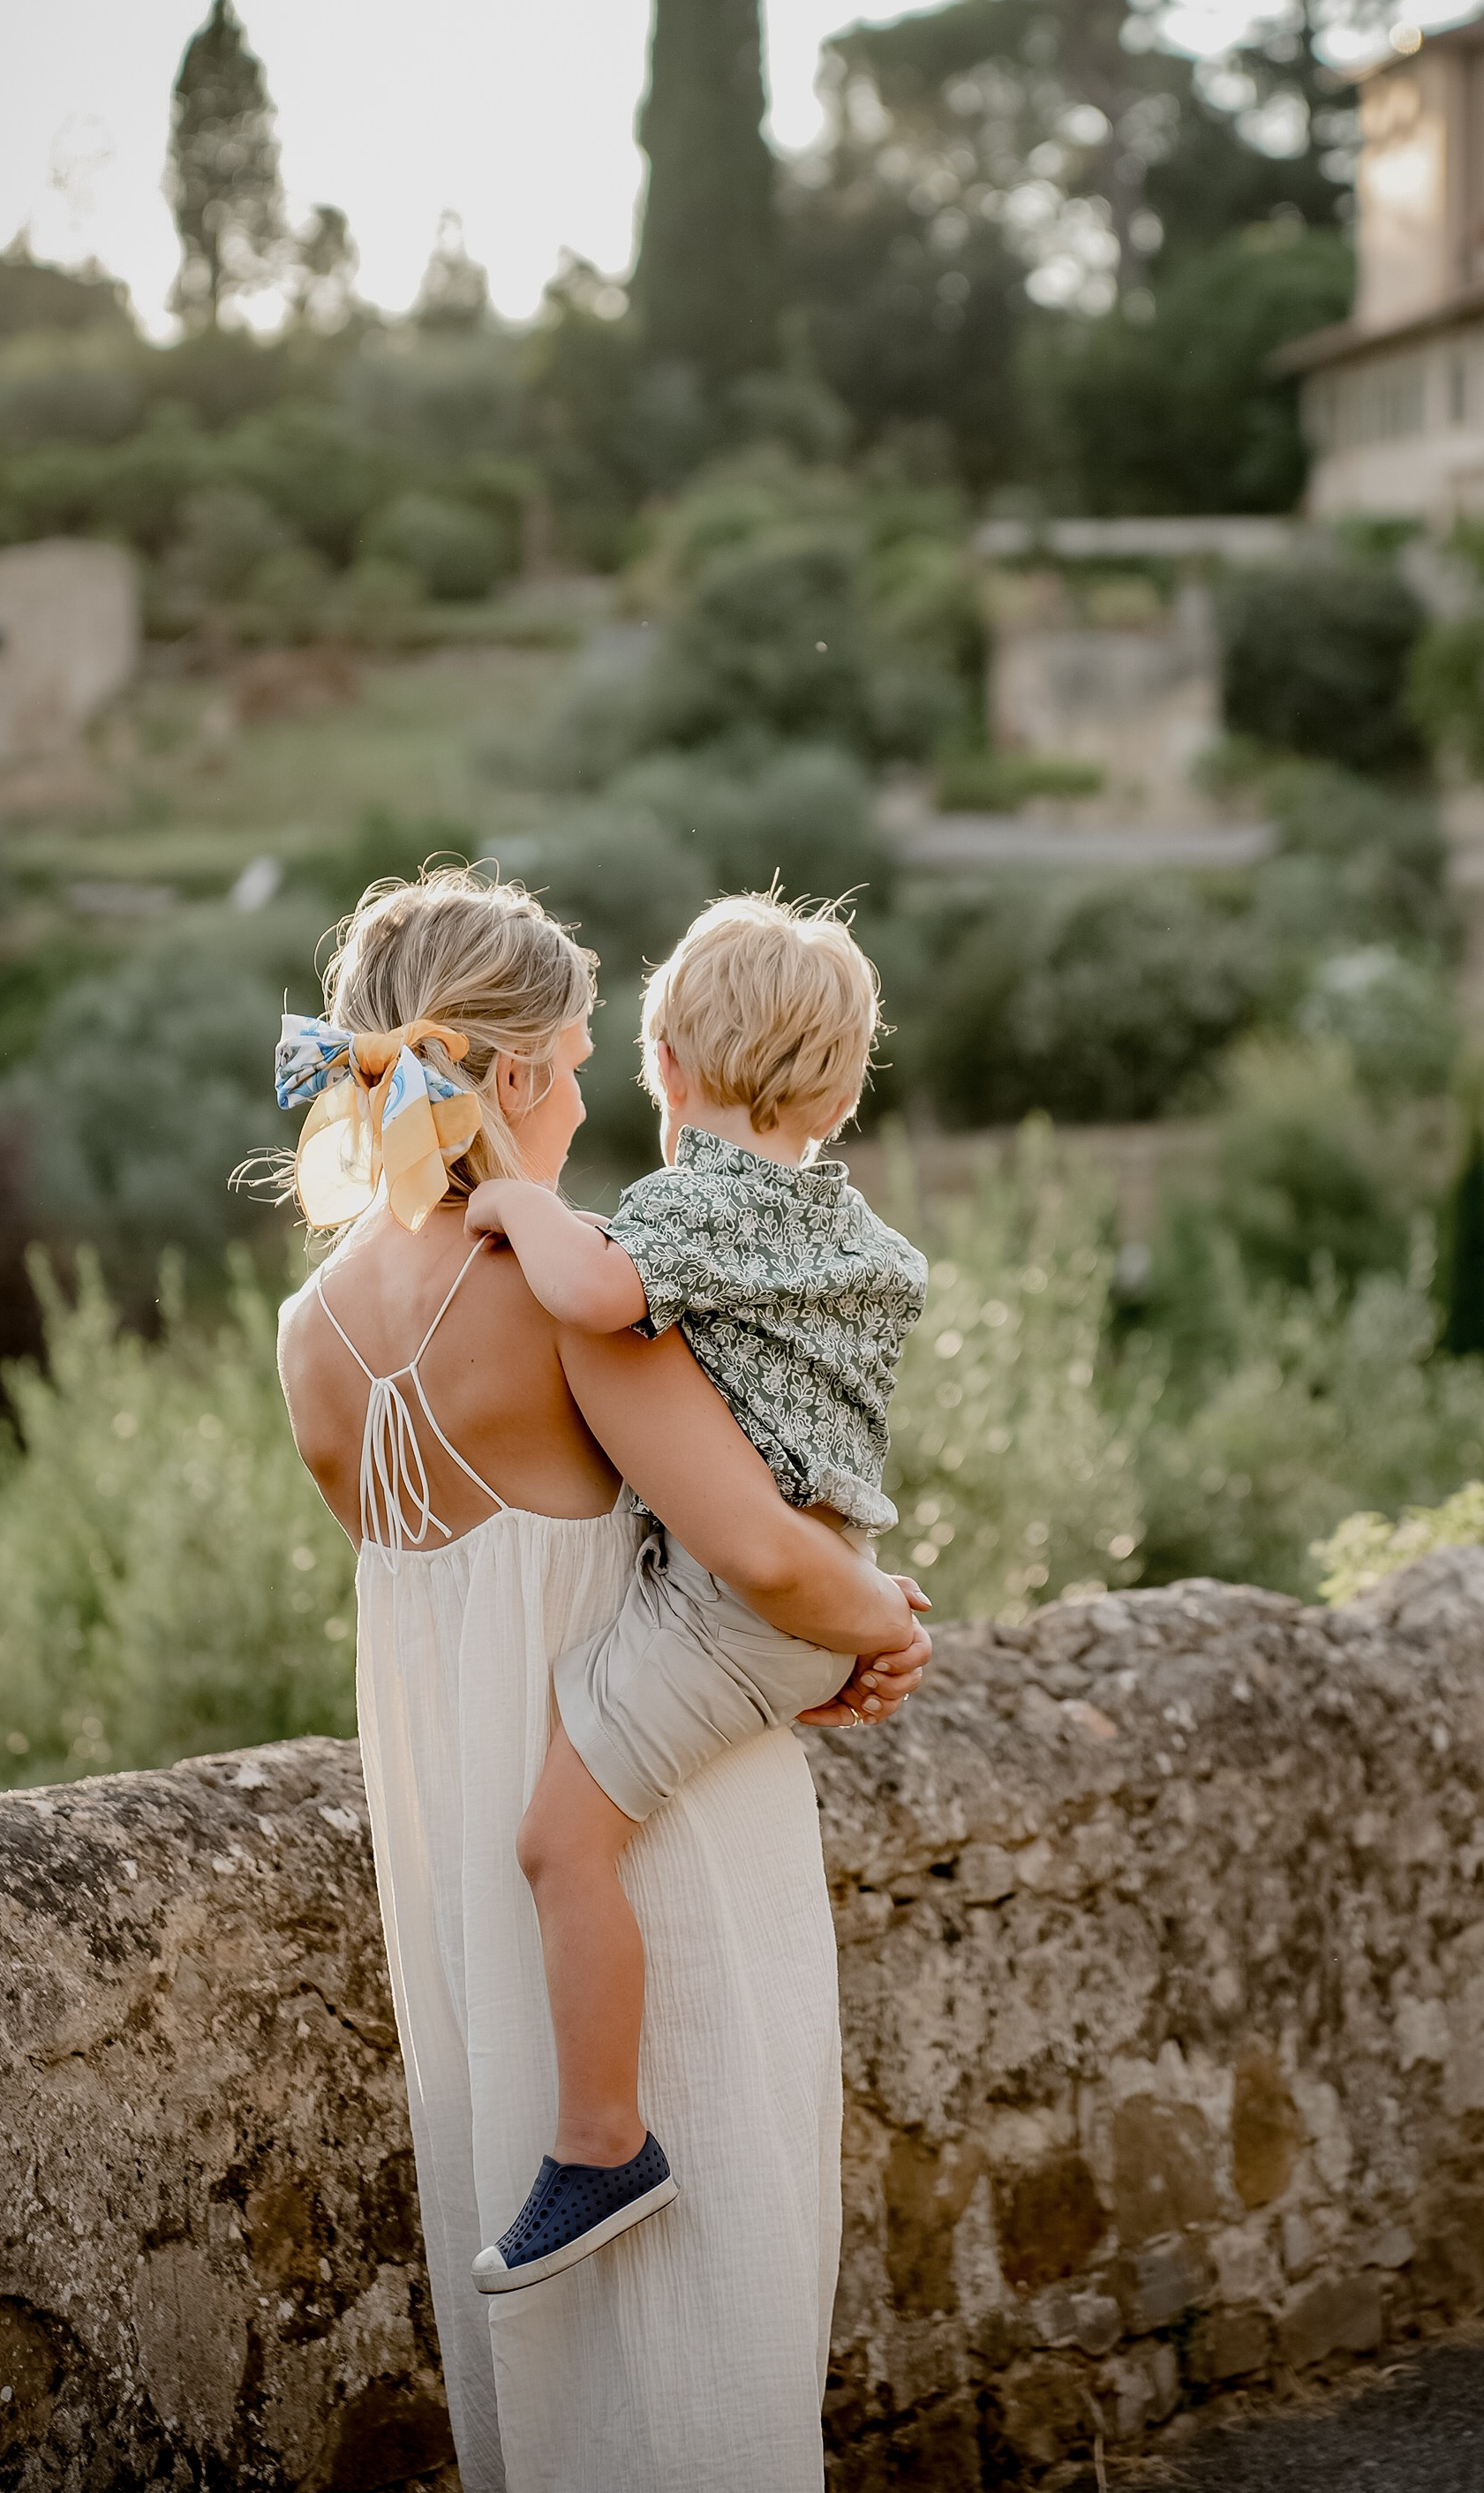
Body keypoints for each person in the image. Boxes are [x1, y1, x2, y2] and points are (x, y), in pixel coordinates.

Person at [272, 865, 929, 2493]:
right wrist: (886, 1623)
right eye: (568, 1060)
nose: (586, 1095)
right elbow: (759, 1555)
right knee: (714, 2293)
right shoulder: (570, 1298)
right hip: (659, 1838)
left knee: (548, 2350)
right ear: (505, 1080)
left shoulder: (306, 1334)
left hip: (466, 1879)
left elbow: (444, 1614)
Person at [461, 893, 927, 2292]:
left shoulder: (683, 1211)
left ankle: (604, 2140)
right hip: (814, 1558)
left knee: (559, 1843)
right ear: (840, 1088)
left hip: (741, 1602)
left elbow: (600, 1298)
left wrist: (516, 1203)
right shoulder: (839, 1231)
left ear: (661, 1067)